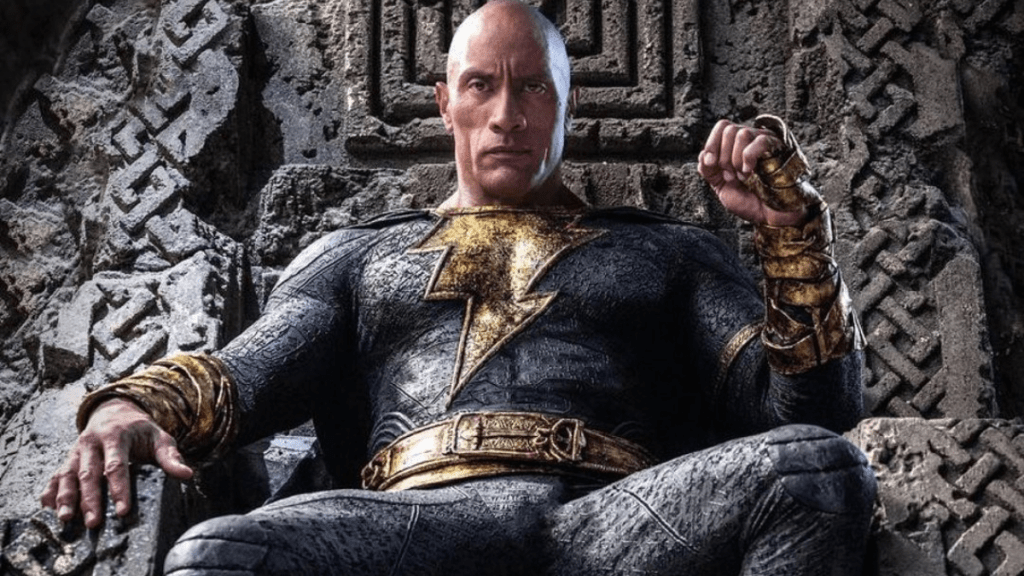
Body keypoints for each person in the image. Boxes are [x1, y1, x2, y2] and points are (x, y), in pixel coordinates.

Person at [42, 1, 876, 574]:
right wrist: (130, 407)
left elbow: (816, 411)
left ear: (569, 106)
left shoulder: (670, 252)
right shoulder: (358, 257)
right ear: (446, 103)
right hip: (416, 523)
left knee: (811, 471)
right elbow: (248, 375)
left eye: (533, 87)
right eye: (482, 85)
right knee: (221, 557)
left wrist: (791, 236)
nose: (507, 114)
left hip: (621, 519)